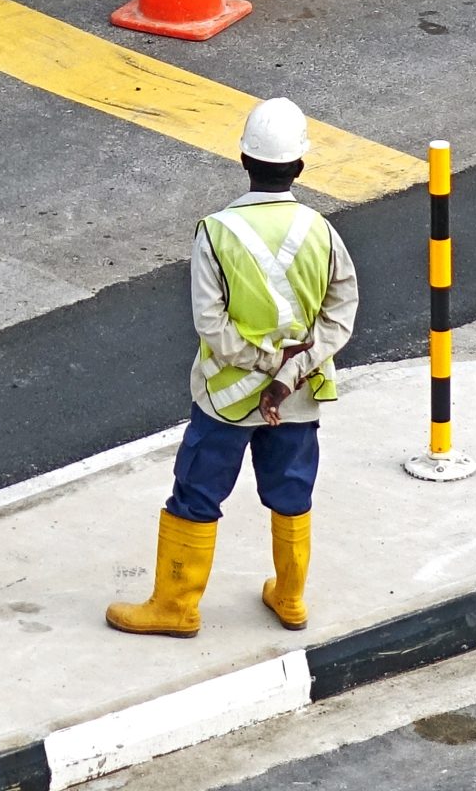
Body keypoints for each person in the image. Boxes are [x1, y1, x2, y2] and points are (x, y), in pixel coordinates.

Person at [108, 97, 358, 639]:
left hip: (227, 396)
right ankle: (290, 599)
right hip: (297, 397)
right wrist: (291, 371)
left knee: (197, 492)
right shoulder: (323, 231)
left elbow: (210, 325)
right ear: (300, 166)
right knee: (292, 491)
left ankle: (176, 606)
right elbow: (340, 316)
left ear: (244, 158)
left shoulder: (216, 232)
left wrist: (262, 364)